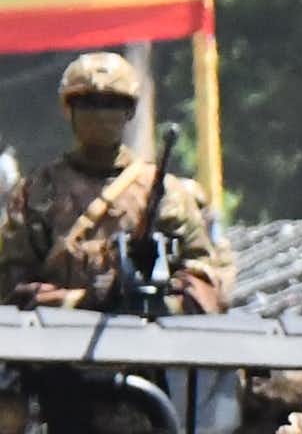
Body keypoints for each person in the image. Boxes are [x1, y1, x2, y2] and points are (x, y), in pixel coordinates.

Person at [0, 53, 228, 313]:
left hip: (154, 343)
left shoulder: (169, 194)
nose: (99, 114)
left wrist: (150, 299)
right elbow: (12, 292)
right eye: (87, 102)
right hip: (59, 343)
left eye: (112, 103)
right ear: (67, 109)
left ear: (130, 110)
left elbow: (209, 286)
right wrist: (84, 300)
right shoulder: (38, 193)